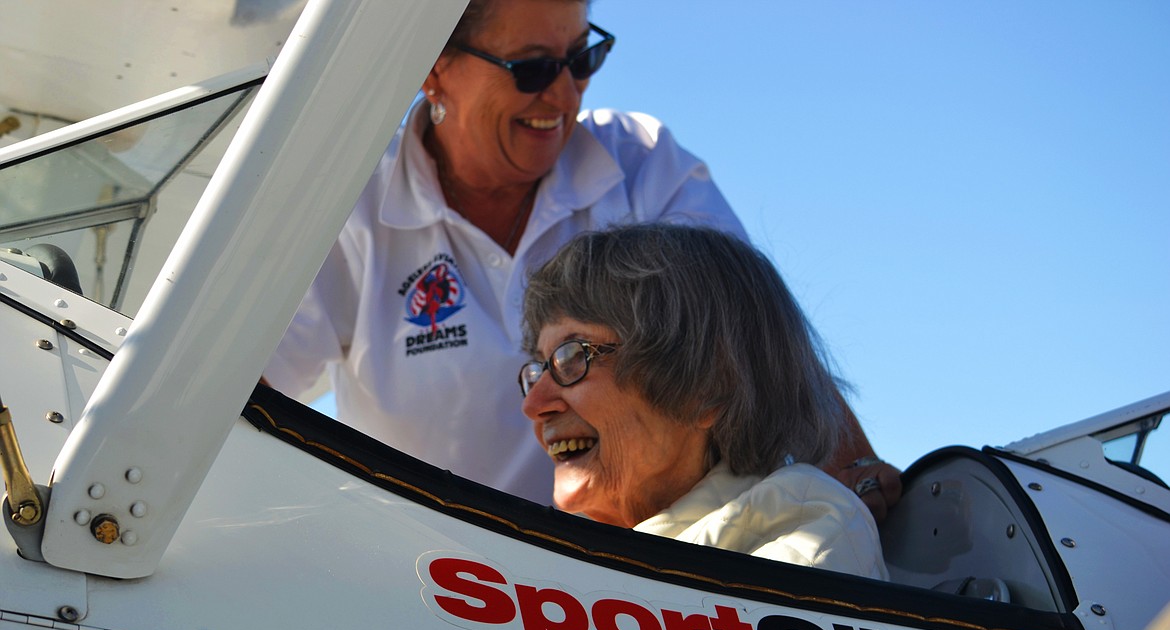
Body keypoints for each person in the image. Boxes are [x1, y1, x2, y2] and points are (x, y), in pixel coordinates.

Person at [265, 0, 900, 517]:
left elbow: (748, 336)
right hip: (431, 574)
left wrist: (851, 476)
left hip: (633, 568)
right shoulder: (346, 204)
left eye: (582, 58)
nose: (565, 95)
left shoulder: (640, 162)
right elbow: (243, 394)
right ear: (432, 69)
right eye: (533, 69)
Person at [519, 223, 888, 579]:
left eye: (572, 358)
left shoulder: (807, 528)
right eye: (538, 368)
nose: (534, 403)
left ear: (706, 388)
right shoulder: (555, 562)